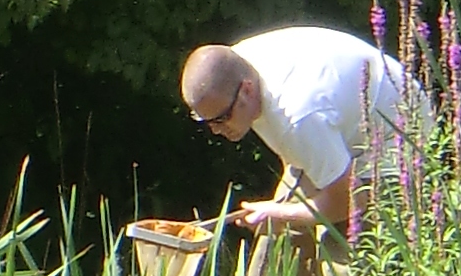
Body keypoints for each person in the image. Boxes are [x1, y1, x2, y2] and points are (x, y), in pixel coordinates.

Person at [181, 26, 423, 235]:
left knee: (340, 254)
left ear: (247, 90)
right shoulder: (233, 69)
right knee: (278, 244)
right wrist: (282, 214)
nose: (215, 130)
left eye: (222, 118)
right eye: (206, 121)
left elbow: (349, 201)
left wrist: (283, 215)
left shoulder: (297, 116)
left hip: (399, 137)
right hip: (338, 127)